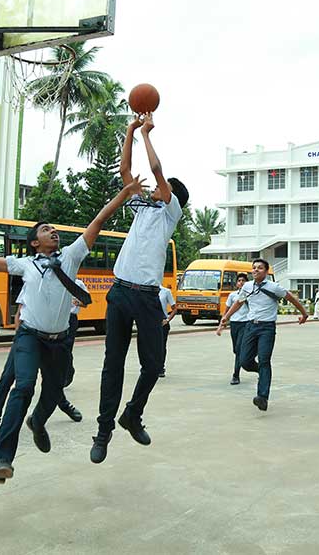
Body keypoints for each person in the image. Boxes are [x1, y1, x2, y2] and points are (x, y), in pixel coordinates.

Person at [0, 179, 141, 483]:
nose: (53, 231)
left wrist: (124, 193)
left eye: (54, 229)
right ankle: (2, 459)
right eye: (46, 230)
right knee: (23, 387)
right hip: (30, 336)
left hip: (59, 343)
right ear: (35, 242)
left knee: (54, 393)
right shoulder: (24, 265)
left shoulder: (71, 256)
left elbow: (98, 219)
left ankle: (38, 421)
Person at [91, 113, 190, 466]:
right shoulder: (141, 209)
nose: (154, 189)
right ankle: (104, 432)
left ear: (172, 197)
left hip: (147, 297)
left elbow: (158, 171)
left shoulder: (169, 212)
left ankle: (133, 413)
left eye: (162, 189)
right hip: (120, 292)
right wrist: (131, 130)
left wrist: (148, 135)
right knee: (112, 365)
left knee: (153, 365)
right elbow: (125, 173)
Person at [0, 284, 84, 440]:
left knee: (51, 381)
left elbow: (84, 301)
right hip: (27, 340)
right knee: (7, 379)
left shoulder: (67, 283)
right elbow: (20, 311)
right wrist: (18, 339)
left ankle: (64, 405)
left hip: (50, 340)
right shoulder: (33, 281)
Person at [217, 258, 309, 411]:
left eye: (260, 268)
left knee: (264, 359)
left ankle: (262, 397)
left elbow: (291, 298)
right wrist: (226, 316)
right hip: (250, 326)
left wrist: (304, 314)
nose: (256, 270)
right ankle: (262, 372)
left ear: (266, 272)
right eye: (254, 268)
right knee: (244, 360)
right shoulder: (247, 286)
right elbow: (239, 302)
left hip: (267, 328)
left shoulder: (274, 287)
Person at [219, 273, 250, 385]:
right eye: (239, 281)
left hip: (245, 324)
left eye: (243, 281)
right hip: (234, 324)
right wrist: (222, 324)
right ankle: (254, 365)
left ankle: (236, 375)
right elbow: (226, 310)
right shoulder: (232, 295)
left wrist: (246, 298)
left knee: (239, 349)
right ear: (236, 283)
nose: (241, 282)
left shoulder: (250, 295)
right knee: (236, 350)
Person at [157, 283, 177, 378]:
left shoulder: (165, 292)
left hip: (162, 322)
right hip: (149, 322)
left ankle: (161, 368)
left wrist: (168, 320)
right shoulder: (145, 291)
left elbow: (175, 309)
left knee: (161, 346)